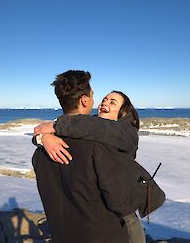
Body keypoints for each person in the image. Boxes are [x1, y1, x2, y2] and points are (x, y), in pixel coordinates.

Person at [34, 90, 146, 243]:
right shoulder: (88, 128)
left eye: (112, 102)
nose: (105, 103)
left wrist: (53, 127)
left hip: (122, 202)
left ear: (123, 112)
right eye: (104, 100)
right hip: (97, 204)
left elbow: (96, 128)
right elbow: (81, 127)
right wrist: (43, 138)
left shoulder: (125, 132)